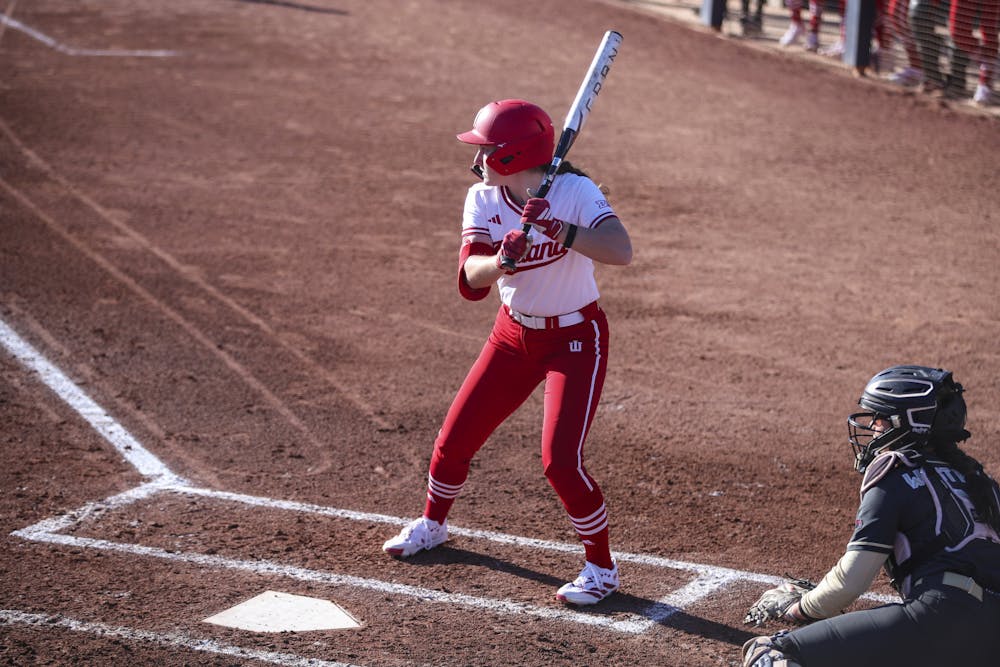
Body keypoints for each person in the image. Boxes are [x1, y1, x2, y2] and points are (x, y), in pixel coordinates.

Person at [381, 99, 633, 606]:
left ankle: (602, 569)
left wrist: (561, 229)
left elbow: (621, 250)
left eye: (488, 150)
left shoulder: (574, 191)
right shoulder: (483, 198)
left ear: (515, 156)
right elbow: (471, 282)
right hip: (512, 336)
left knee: (561, 462)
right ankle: (433, 524)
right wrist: (502, 260)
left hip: (575, 340)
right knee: (455, 438)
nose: (478, 160)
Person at [742, 365, 1000, 667]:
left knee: (768, 653)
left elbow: (852, 579)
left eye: (880, 417)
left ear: (909, 422)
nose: (873, 426)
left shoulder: (896, 470)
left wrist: (800, 609)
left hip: (941, 619)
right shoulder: (979, 480)